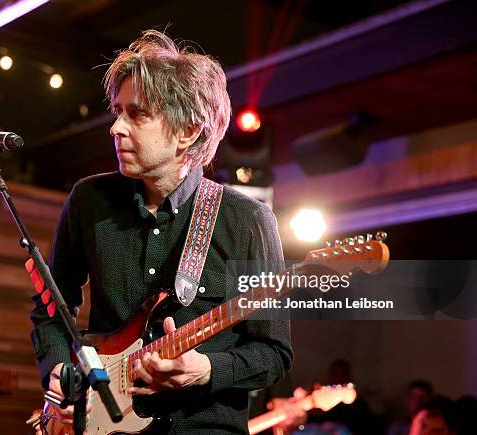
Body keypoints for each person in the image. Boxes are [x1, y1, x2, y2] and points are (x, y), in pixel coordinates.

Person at [29, 29, 293, 434]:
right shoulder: (89, 200)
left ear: (187, 131)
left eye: (137, 114)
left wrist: (206, 368)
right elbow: (51, 308)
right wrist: (60, 368)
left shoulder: (247, 221)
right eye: (117, 110)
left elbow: (273, 352)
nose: (115, 127)